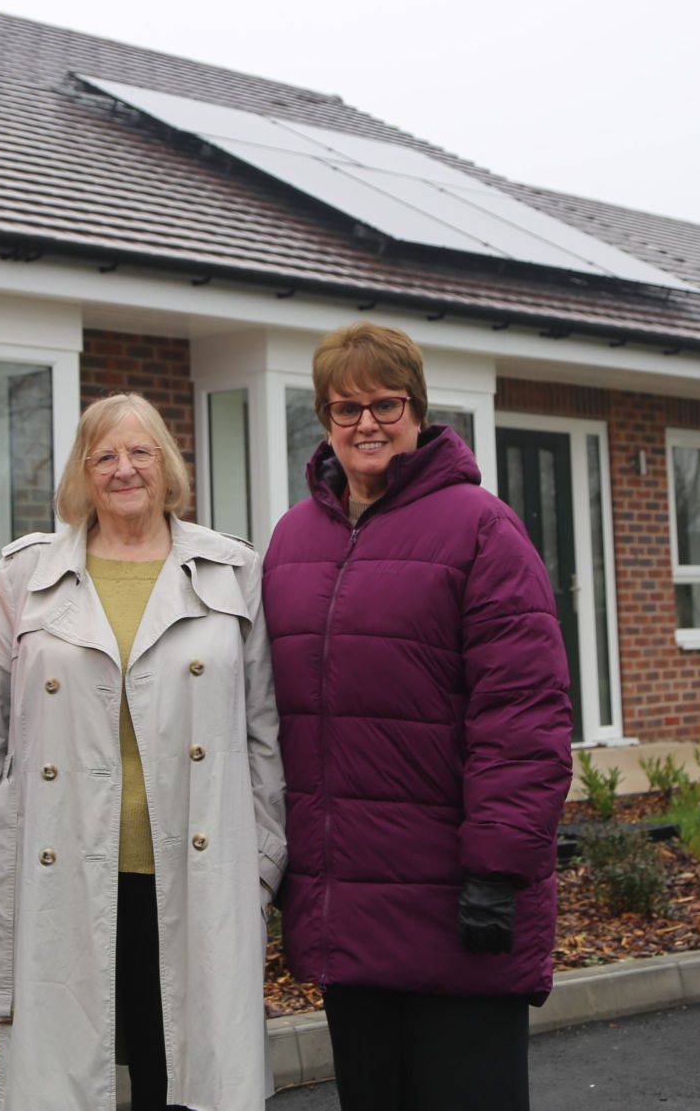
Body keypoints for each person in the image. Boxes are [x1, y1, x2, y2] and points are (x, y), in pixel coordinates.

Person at [261, 323, 571, 1111]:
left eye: (385, 404)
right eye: (345, 408)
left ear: (418, 410)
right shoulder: (292, 541)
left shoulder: (481, 529)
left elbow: (523, 716)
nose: (365, 423)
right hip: (344, 900)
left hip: (455, 899)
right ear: (325, 419)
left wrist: (496, 871)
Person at [0, 393, 285, 1111]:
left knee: (185, 1072)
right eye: (103, 455)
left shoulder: (231, 569)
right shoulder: (27, 574)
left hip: (199, 867)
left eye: (140, 452)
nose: (123, 469)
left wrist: (263, 860)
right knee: (72, 1073)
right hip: (62, 865)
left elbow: (263, 728)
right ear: (82, 472)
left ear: (168, 466)